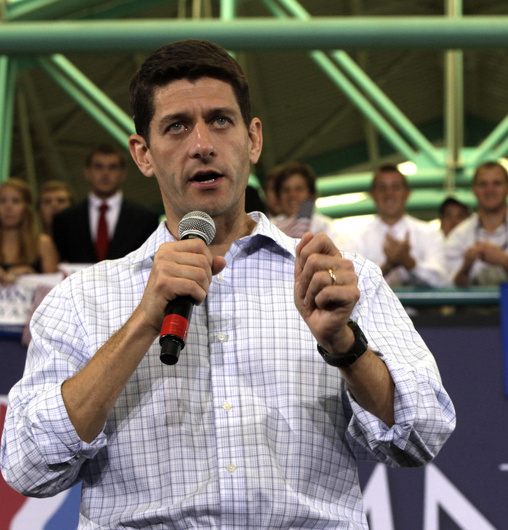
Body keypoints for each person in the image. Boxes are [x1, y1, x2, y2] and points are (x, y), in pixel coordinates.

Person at [0, 39, 455, 528]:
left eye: (220, 120)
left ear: (253, 139)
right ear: (143, 154)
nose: (201, 144)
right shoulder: (81, 299)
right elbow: (28, 466)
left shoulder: (338, 280)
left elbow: (422, 435)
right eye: (175, 127)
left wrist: (345, 345)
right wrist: (141, 323)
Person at [51, 144, 161, 263]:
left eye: (112, 167)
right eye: (98, 167)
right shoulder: (64, 220)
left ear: (123, 174)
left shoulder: (146, 219)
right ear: (87, 172)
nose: (105, 173)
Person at [343, 164, 446, 287]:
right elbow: (347, 283)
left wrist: (409, 263)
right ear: (372, 195)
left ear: (407, 193)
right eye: (382, 188)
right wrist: (387, 266)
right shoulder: (355, 238)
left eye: (396, 187)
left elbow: (442, 282)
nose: (389, 193)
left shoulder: (430, 234)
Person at [445, 161, 508, 286]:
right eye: (483, 184)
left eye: (497, 183)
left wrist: (505, 261)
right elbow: (448, 286)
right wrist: (466, 266)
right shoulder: (458, 235)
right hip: (472, 306)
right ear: (474, 190)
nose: (489, 190)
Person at [0, 178, 60, 284]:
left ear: (26, 208)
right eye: (2, 201)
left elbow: (55, 290)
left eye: (16, 201)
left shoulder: (42, 243)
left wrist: (31, 276)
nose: (8, 207)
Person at [270, 161, 338, 239]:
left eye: (299, 189)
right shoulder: (270, 228)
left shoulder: (325, 226)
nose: (292, 195)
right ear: (278, 196)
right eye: (286, 190)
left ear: (311, 194)